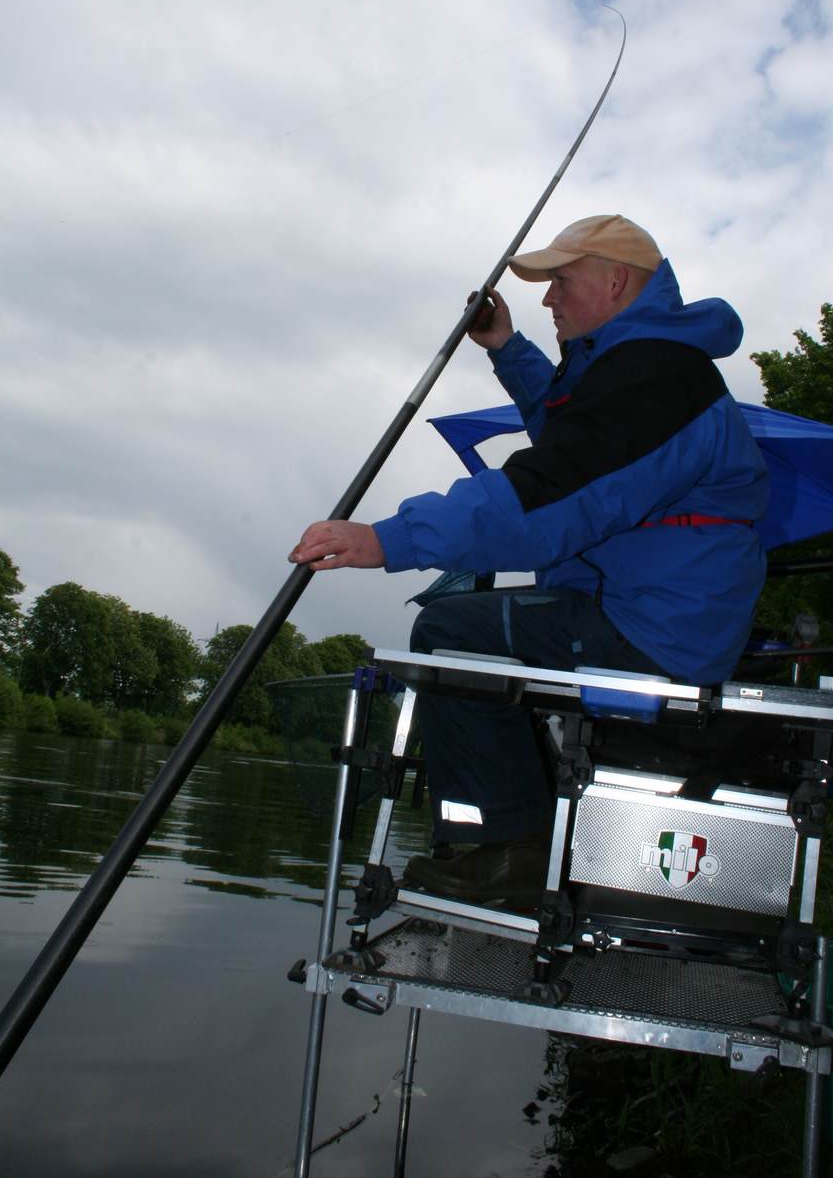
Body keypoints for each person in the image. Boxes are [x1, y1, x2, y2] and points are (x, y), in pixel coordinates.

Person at [289, 215, 769, 906]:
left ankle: (506, 849)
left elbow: (550, 494)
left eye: (560, 282)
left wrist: (387, 540)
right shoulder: (643, 368)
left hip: (651, 631)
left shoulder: (658, 379)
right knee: (468, 628)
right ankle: (513, 833)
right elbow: (570, 429)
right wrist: (505, 346)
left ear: (614, 281)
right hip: (642, 609)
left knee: (449, 634)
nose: (549, 300)